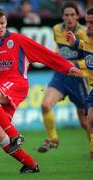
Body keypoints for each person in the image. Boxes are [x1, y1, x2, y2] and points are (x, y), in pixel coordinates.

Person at [0, 7, 81, 173]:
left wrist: (66, 67)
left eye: (2, 23)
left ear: (6, 22)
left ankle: (15, 135)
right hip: (1, 91)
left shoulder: (18, 40)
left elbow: (44, 54)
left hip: (17, 84)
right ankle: (31, 164)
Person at [37, 1, 90, 153]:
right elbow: (60, 49)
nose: (69, 18)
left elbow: (89, 58)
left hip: (78, 79)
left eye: (72, 15)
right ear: (62, 16)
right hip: (60, 76)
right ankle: (53, 139)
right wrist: (57, 58)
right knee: (45, 105)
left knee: (85, 122)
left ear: (78, 16)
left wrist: (73, 64)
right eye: (66, 15)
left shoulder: (84, 33)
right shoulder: (56, 29)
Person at [66, 7, 93, 159]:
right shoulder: (88, 40)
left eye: (92, 23)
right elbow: (85, 50)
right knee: (89, 121)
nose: (89, 26)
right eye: (87, 22)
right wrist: (75, 42)